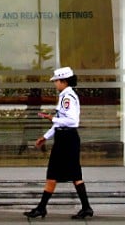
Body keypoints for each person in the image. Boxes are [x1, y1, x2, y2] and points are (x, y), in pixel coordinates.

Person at [24, 66, 93, 221]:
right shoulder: (65, 95)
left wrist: (51, 118)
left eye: (56, 81)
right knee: (72, 174)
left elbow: (71, 121)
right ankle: (86, 207)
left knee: (54, 173)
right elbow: (60, 123)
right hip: (65, 138)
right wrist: (45, 136)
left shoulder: (67, 97)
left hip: (67, 139)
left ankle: (41, 208)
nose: (55, 84)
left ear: (64, 81)